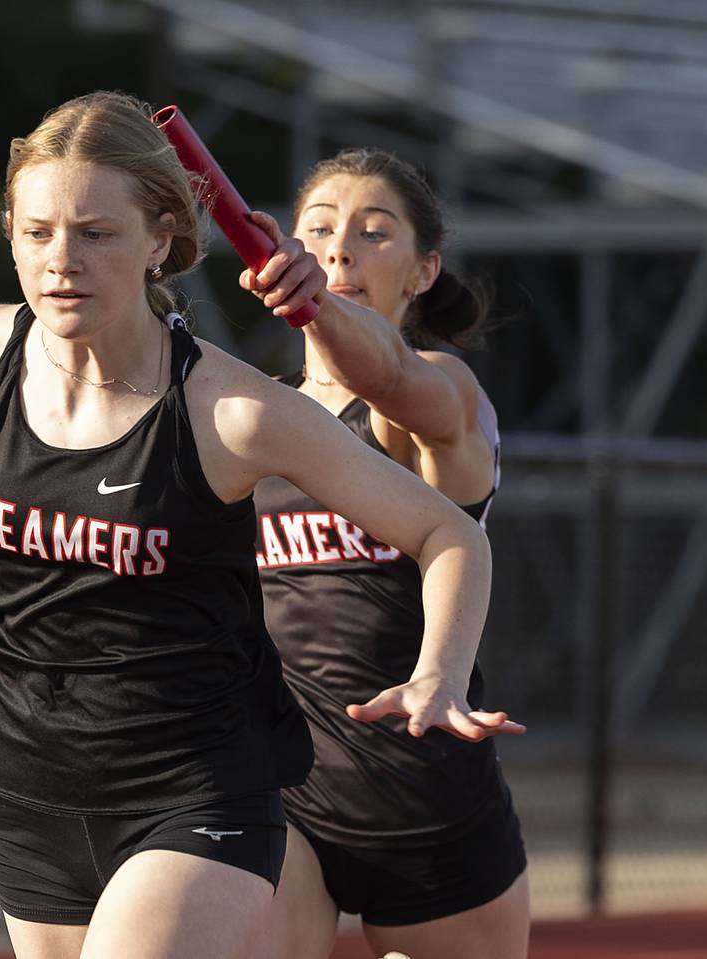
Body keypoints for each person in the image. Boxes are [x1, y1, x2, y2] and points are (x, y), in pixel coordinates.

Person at [0, 92, 519, 959]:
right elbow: (108, 575)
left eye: (97, 232)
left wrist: (440, 675)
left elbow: (404, 400)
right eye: (37, 232)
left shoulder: (297, 410)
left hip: (388, 784)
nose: (62, 259)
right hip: (165, 783)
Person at [245, 148, 530, 959]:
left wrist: (324, 314)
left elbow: (393, 375)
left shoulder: (439, 392)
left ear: (423, 270)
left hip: (426, 801)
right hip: (286, 794)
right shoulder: (249, 417)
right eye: (320, 230)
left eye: (373, 234)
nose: (339, 251)